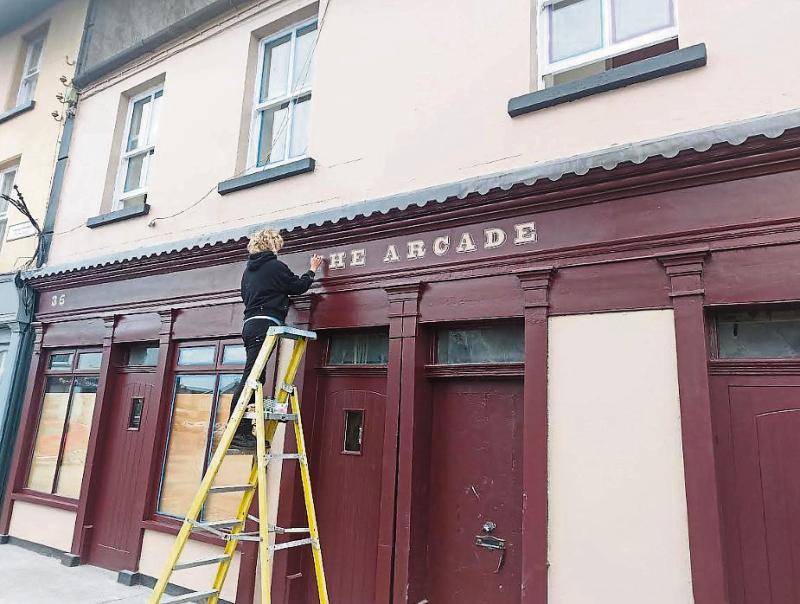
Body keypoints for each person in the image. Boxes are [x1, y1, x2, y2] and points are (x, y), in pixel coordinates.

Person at [229, 227, 323, 451]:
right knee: (252, 376)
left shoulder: (248, 272)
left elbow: (247, 296)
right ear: (272, 245)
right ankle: (238, 431)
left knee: (255, 376)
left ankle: (243, 430)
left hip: (250, 324)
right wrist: (312, 270)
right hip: (265, 324)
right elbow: (297, 286)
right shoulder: (275, 266)